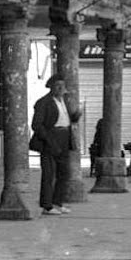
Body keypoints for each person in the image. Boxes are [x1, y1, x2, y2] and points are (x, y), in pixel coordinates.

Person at [30, 74, 81, 216]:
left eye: (62, 86)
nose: (60, 89)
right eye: (57, 86)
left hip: (64, 138)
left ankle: (58, 203)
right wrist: (48, 139)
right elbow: (37, 125)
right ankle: (47, 206)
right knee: (49, 174)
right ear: (51, 87)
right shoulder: (43, 103)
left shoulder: (64, 101)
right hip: (50, 139)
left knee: (63, 173)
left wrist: (76, 115)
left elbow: (68, 119)